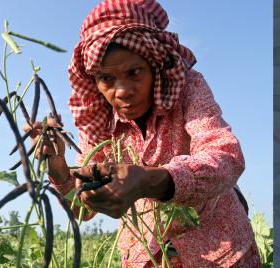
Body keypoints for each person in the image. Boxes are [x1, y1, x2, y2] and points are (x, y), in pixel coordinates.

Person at [36, 0, 260, 266]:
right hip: (147, 256)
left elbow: (226, 155)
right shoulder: (98, 121)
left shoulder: (188, 89)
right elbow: (83, 210)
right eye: (106, 79)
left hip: (219, 253)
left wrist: (148, 180)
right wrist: (59, 169)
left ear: (154, 65)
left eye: (134, 72)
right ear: (94, 81)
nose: (122, 91)